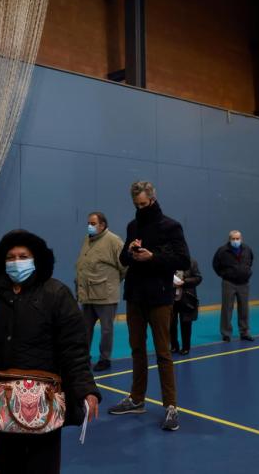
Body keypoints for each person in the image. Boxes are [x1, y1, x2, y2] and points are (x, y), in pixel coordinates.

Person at [0, 230, 100, 473]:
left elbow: (74, 348)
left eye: (23, 256)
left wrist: (86, 389)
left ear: (35, 259)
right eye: (11, 257)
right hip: (1, 400)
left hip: (45, 402)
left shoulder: (56, 294)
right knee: (7, 467)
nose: (17, 261)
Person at [107, 181, 189, 432]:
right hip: (135, 296)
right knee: (137, 349)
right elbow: (123, 259)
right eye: (136, 204)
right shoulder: (133, 226)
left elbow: (183, 259)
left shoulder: (171, 226)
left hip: (160, 297)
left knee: (163, 352)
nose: (140, 208)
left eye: (143, 204)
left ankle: (171, 406)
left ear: (153, 199)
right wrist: (131, 251)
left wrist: (153, 257)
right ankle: (136, 399)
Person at [75, 211, 126, 372]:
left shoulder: (113, 241)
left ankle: (105, 359)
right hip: (87, 294)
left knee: (106, 330)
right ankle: (84, 357)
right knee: (84, 329)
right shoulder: (87, 239)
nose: (89, 226)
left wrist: (111, 283)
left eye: (93, 223)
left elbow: (125, 266)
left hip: (105, 295)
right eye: (88, 223)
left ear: (102, 225)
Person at [213, 230, 255, 342]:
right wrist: (224, 274)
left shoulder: (247, 249)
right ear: (229, 239)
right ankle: (226, 333)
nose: (235, 241)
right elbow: (215, 265)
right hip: (229, 283)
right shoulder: (222, 251)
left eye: (237, 238)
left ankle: (244, 332)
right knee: (227, 309)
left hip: (244, 283)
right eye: (233, 239)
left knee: (244, 309)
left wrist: (247, 273)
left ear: (241, 239)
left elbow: (251, 261)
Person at [170, 259, 202, 355]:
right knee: (171, 324)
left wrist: (184, 282)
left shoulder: (192, 262)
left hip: (186, 298)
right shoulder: (169, 261)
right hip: (171, 298)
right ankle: (174, 346)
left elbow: (198, 278)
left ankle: (186, 347)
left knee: (186, 324)